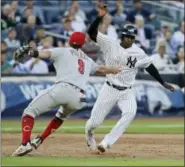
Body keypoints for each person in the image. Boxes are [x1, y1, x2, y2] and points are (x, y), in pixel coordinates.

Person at [12, 31, 121, 156]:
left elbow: (43, 53)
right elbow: (102, 69)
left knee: (29, 112)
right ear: (82, 44)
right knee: (60, 117)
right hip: (79, 98)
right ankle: (39, 140)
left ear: (70, 41)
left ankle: (25, 144)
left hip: (63, 88)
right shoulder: (87, 60)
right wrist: (115, 69)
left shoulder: (63, 51)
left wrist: (30, 52)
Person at [85, 5, 175, 153]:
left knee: (130, 112)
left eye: (132, 37)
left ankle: (107, 142)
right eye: (128, 36)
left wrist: (163, 82)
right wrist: (99, 16)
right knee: (94, 123)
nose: (130, 39)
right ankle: (89, 133)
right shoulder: (110, 43)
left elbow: (149, 66)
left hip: (126, 91)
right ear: (122, 36)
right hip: (110, 88)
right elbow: (91, 33)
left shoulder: (138, 52)